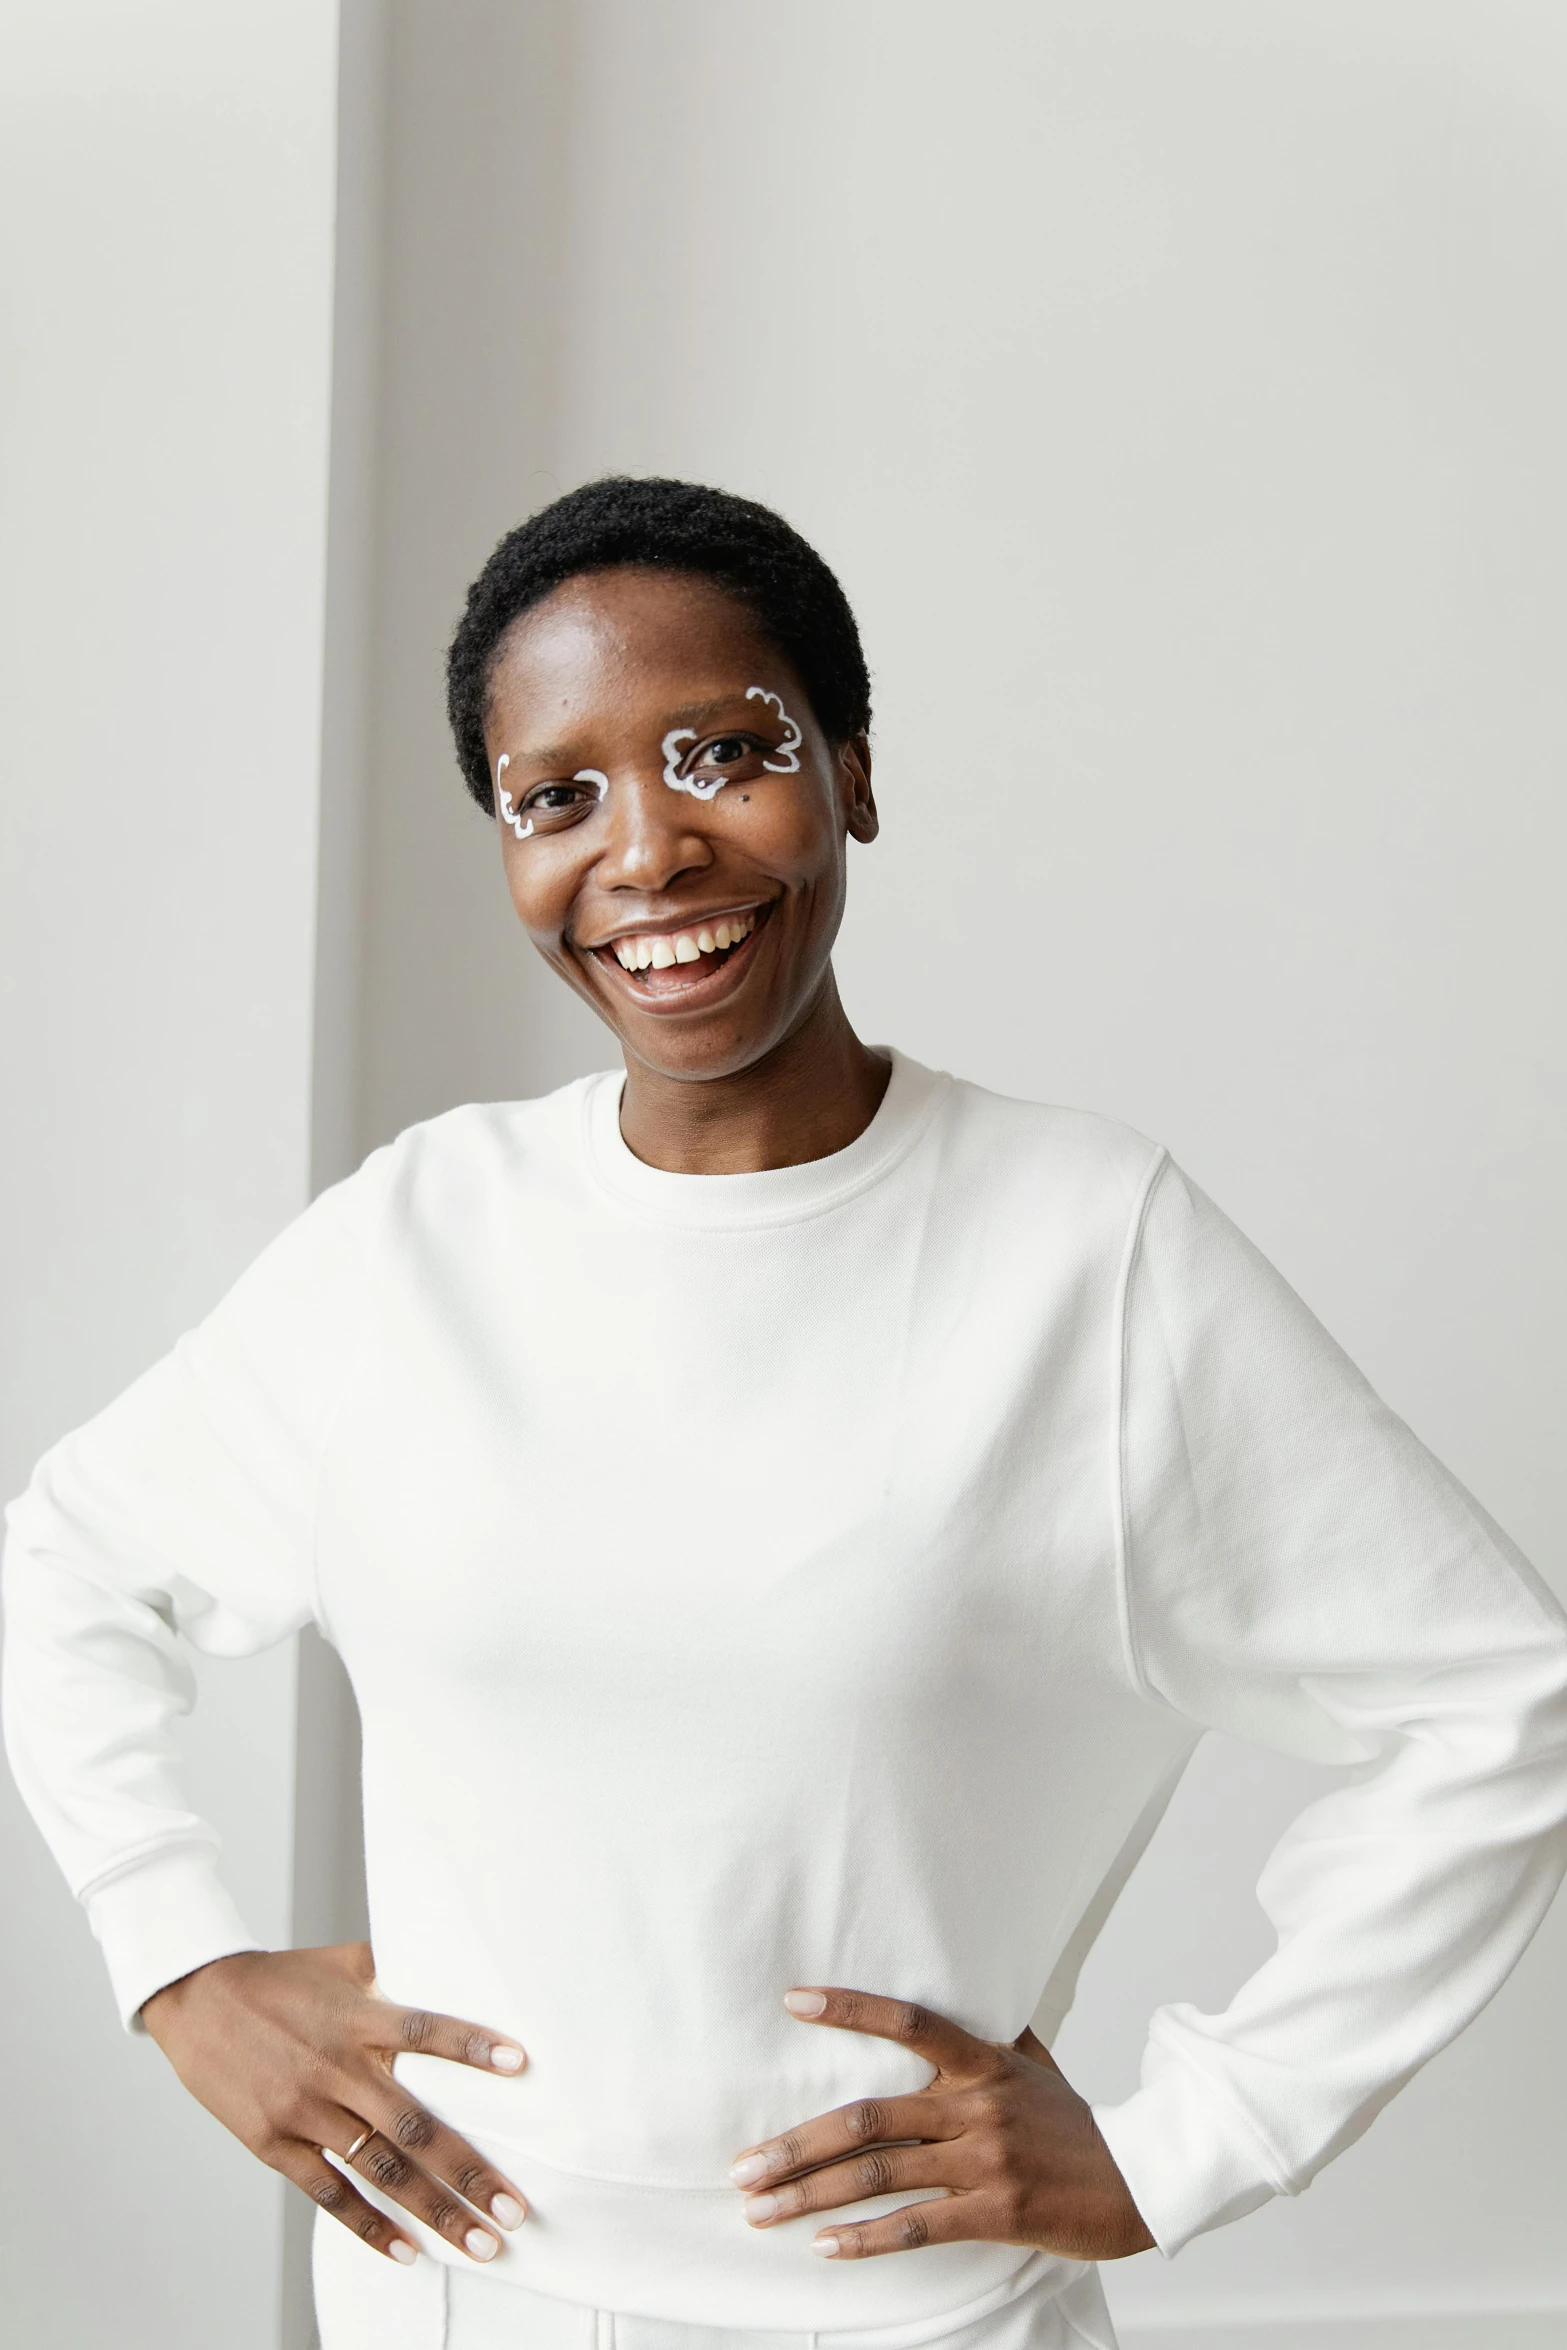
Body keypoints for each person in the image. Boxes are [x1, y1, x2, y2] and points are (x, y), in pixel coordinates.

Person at [5, 477, 1566, 2350]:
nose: (645, 852)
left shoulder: (1085, 1250)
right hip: (438, 2302)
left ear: (851, 771)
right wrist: (176, 1959)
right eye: (555, 795)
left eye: (721, 755)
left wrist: (1192, 2140)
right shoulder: (418, 1240)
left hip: (908, 2321)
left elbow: (1497, 1697)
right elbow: (69, 1560)